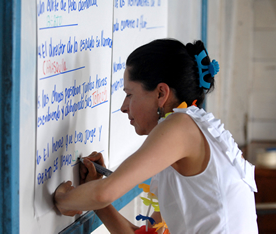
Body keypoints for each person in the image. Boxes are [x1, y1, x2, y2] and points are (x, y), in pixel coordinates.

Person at [54, 39, 258, 234]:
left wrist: (63, 200)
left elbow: (104, 193)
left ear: (161, 93)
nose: (123, 107)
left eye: (129, 94)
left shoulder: (180, 126)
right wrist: (93, 196)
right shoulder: (194, 128)